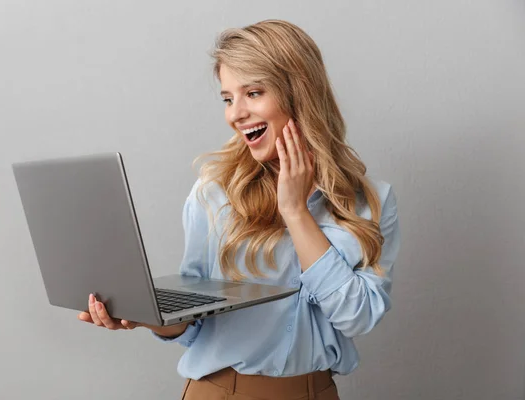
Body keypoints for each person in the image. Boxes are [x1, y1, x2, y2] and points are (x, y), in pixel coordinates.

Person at [78, 19, 401, 400]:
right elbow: (194, 323)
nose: (236, 114)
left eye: (253, 93)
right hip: (218, 392)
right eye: (228, 98)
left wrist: (295, 211)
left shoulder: (368, 200)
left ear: (299, 92)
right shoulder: (214, 193)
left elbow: (358, 316)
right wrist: (152, 318)